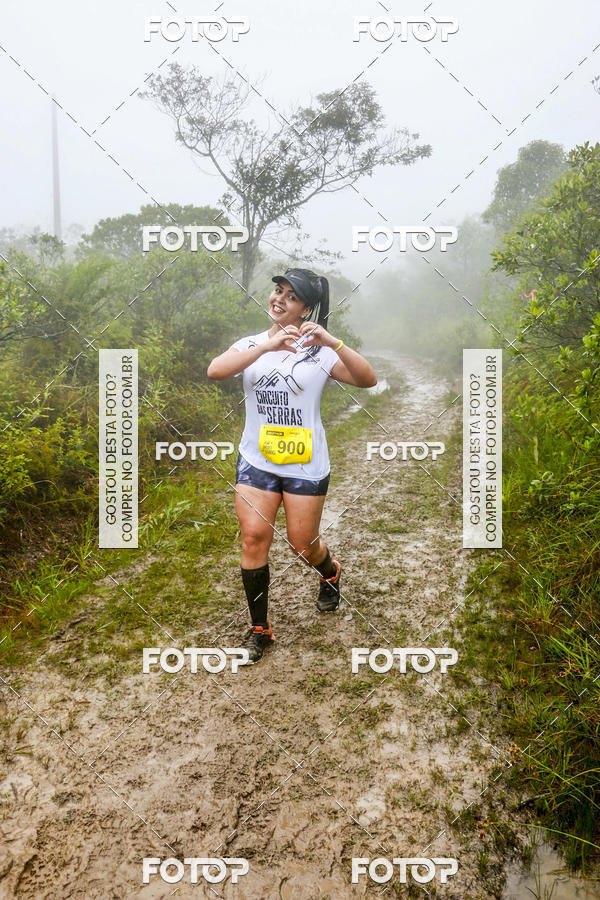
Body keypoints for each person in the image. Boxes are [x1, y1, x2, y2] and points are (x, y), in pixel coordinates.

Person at [207, 268, 377, 663]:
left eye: (291, 296)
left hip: (305, 464)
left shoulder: (320, 352)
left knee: (303, 545)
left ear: (306, 309)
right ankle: (260, 629)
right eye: (278, 291)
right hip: (257, 460)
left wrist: (333, 341)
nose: (279, 299)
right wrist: (268, 346)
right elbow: (215, 370)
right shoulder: (251, 344)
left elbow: (367, 379)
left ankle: (329, 572)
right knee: (253, 538)